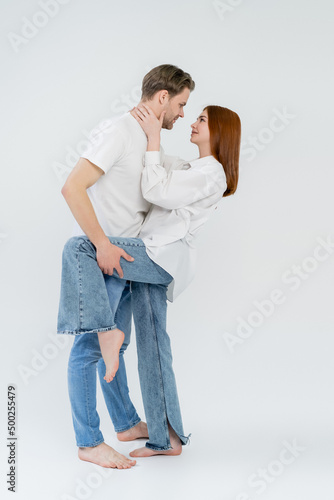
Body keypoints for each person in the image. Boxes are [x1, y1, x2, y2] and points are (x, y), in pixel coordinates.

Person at [58, 102, 241, 461]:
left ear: (220, 131)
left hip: (156, 257)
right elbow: (150, 170)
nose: (191, 120)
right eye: (189, 111)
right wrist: (147, 137)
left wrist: (155, 136)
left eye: (201, 118)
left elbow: (157, 190)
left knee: (81, 246)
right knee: (155, 348)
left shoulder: (212, 173)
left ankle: (105, 330)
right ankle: (165, 437)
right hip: (153, 257)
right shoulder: (194, 167)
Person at [58, 64, 195, 469]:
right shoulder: (119, 131)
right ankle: (88, 442)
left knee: (116, 345)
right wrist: (101, 244)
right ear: (162, 97)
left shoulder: (147, 141)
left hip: (130, 261)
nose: (184, 114)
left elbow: (172, 178)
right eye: (182, 104)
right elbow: (72, 186)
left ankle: (126, 422)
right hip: (108, 256)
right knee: (90, 348)